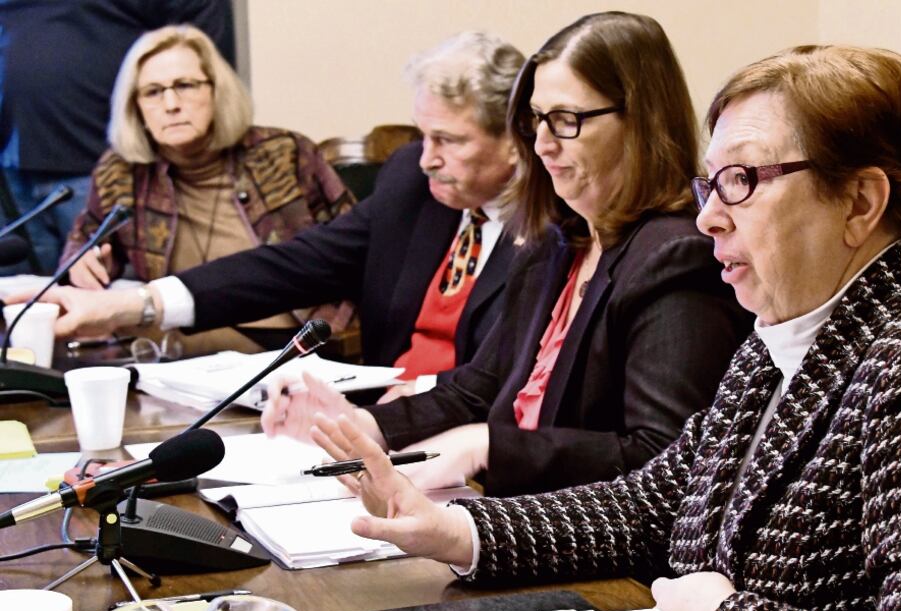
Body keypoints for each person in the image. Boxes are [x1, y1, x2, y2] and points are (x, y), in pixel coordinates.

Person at [307, 44, 901, 611]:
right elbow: (651, 504)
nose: (708, 217)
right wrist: (453, 530)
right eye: (712, 182)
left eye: (744, 180)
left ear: (859, 202)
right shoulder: (785, 334)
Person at [265, 12, 750, 497]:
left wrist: (490, 446)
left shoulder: (677, 255)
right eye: (536, 120)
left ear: (639, 120)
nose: (541, 144)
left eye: (565, 120)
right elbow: (479, 387)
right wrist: (362, 424)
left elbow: (665, 461)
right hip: (513, 517)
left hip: (609, 559)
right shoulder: (559, 239)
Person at [15, 32, 523, 383]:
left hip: (458, 446)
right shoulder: (411, 182)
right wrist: (135, 303)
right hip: (360, 416)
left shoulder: (558, 226)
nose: (427, 158)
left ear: (516, 142)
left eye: (449, 140)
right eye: (423, 135)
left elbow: (494, 390)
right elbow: (297, 263)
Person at [58, 24, 347, 356]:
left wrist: (334, 332)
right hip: (176, 360)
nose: (170, 104)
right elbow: (83, 245)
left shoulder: (284, 153)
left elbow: (355, 250)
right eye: (152, 91)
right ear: (135, 107)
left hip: (284, 351)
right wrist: (82, 263)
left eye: (185, 85)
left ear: (216, 91)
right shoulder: (121, 172)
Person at [0, 1, 235, 276]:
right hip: (11, 171)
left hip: (107, 165)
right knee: (24, 305)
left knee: (113, 299)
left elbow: (199, 26)